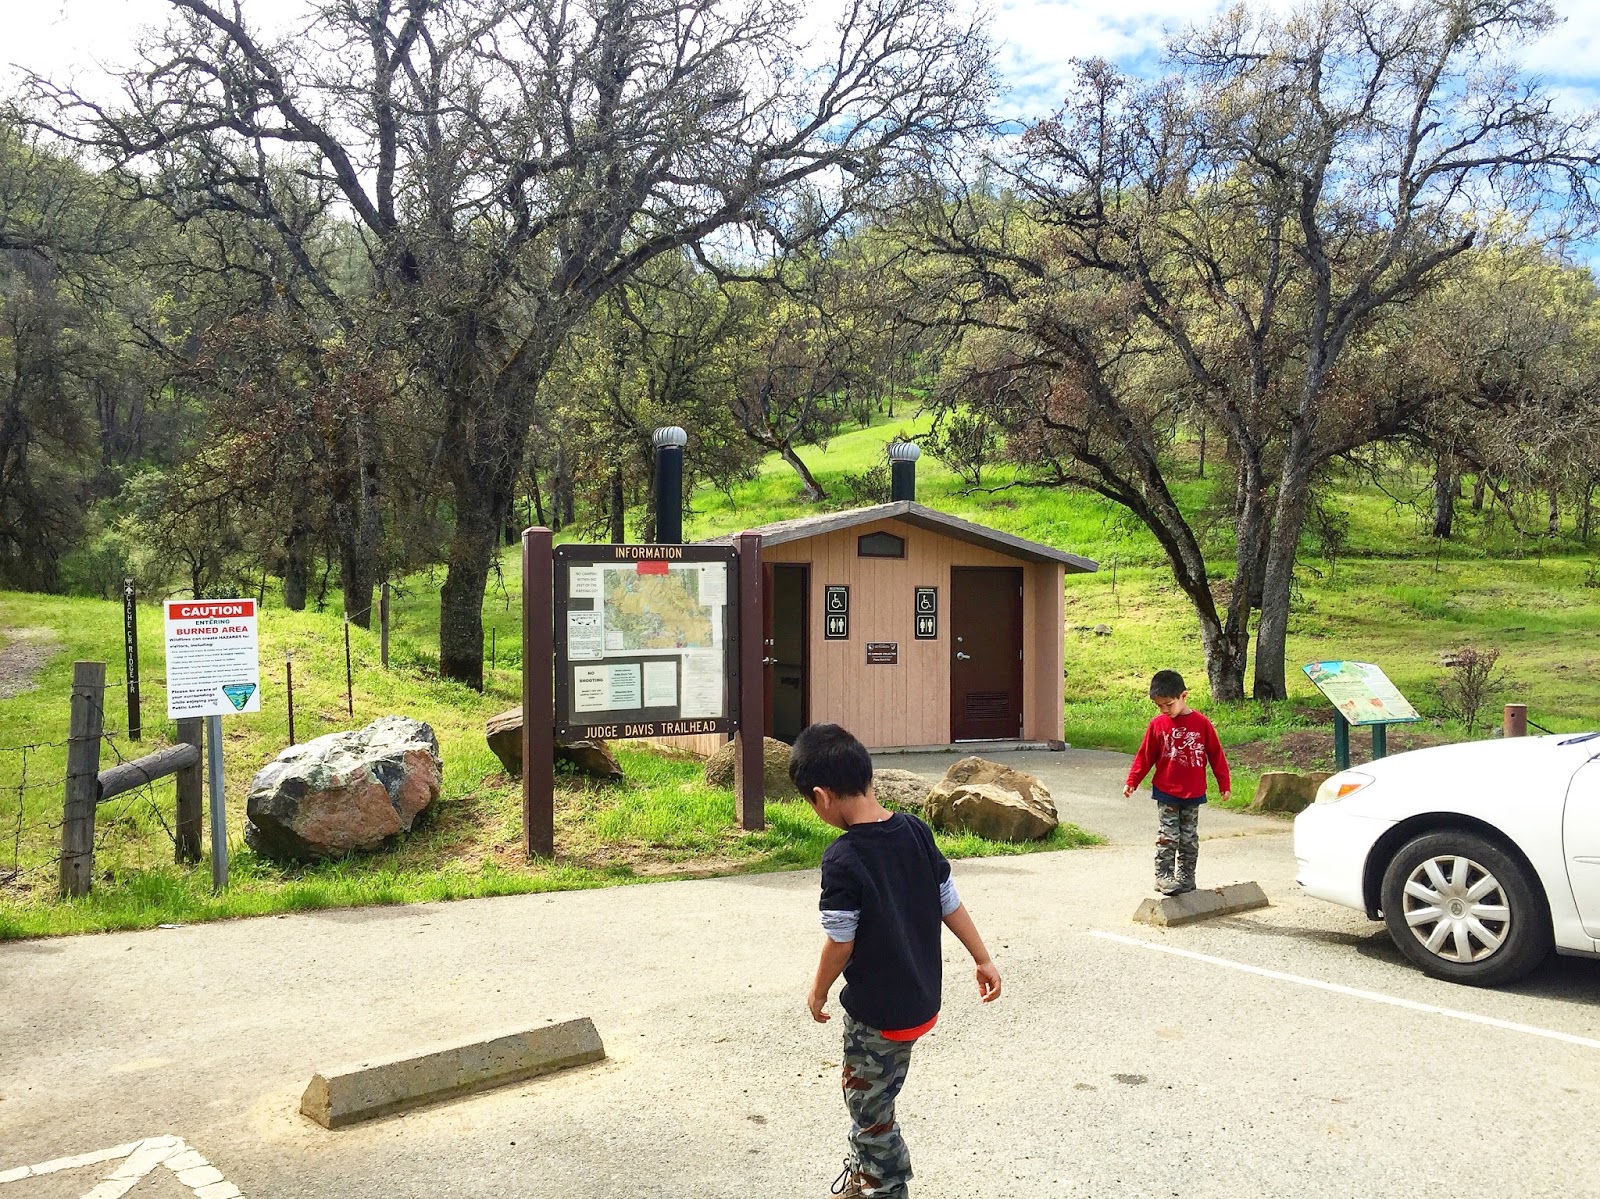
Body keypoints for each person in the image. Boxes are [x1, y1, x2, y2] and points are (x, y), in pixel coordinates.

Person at [792, 722, 1002, 1199]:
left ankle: (885, 1186)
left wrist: (819, 989)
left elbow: (840, 941)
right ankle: (864, 1177)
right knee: (876, 1096)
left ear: (821, 797)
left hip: (878, 1015)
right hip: (920, 1001)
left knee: (869, 1111)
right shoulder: (914, 829)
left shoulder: (842, 858)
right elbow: (948, 899)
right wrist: (983, 958)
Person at [1122, 669, 1231, 895]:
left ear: (1184, 696)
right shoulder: (1158, 725)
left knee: (1189, 838)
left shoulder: (1202, 723)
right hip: (1167, 791)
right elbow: (1145, 755)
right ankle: (1163, 875)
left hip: (1193, 792)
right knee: (1168, 836)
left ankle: (1186, 876)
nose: (1164, 710)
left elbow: (1216, 754)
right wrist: (1133, 780)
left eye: (1168, 704)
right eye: (1159, 706)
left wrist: (1224, 783)